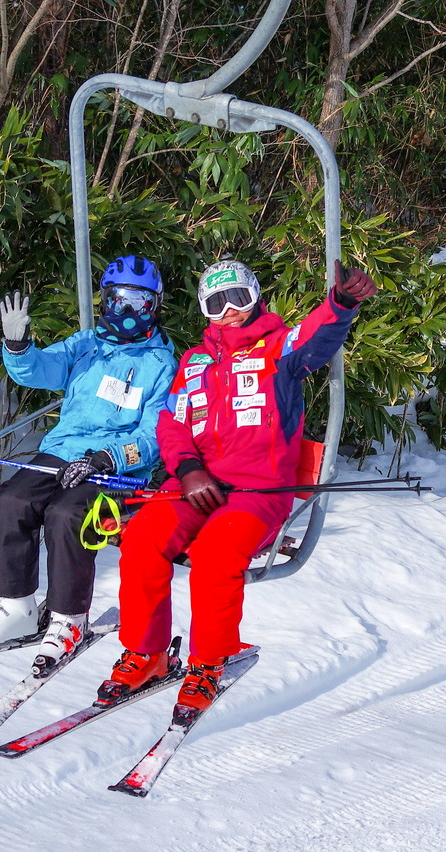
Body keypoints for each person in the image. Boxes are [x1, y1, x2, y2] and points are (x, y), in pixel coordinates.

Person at [100, 258, 377, 714]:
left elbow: (317, 337)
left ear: (255, 296)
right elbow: (172, 423)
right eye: (216, 302)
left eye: (238, 298)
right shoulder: (194, 362)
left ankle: (210, 660)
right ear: (203, 310)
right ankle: (146, 652)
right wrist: (188, 468)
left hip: (257, 492)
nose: (229, 310)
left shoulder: (280, 349)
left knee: (214, 557)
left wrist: (341, 303)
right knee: (143, 538)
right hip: (195, 487)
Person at [0, 255, 177, 673]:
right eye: (119, 299)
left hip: (115, 467)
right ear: (106, 299)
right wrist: (18, 347)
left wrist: (110, 457)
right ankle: (16, 604)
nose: (128, 311)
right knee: (13, 501)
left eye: (140, 302)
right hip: (63, 449)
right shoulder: (85, 344)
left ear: (155, 306)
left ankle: (68, 616)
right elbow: (39, 370)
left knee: (68, 513)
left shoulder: (161, 363)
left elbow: (155, 435)